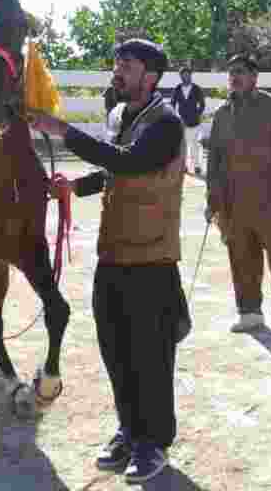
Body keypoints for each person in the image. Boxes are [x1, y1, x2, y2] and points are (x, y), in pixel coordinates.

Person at [28, 38, 186, 483]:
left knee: (151, 357)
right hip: (113, 253)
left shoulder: (166, 123)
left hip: (152, 258)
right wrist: (74, 188)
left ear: (150, 76)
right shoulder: (118, 115)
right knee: (116, 352)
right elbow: (113, 170)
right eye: (117, 64)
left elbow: (131, 163)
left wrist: (62, 130)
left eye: (127, 65)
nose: (118, 71)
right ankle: (129, 431)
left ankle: (154, 443)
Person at [205, 53, 271, 338]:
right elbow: (214, 160)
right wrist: (213, 200)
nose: (234, 77)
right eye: (231, 72)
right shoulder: (222, 114)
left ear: (254, 77)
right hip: (233, 201)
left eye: (241, 72)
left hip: (269, 196)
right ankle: (250, 313)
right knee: (241, 258)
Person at [169, 66, 206, 174]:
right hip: (181, 122)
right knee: (183, 146)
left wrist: (197, 114)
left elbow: (202, 104)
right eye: (183, 75)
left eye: (187, 74)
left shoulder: (196, 88)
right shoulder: (177, 89)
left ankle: (197, 166)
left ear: (190, 75)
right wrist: (175, 117)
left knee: (195, 145)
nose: (185, 76)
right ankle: (183, 165)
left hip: (195, 122)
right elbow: (172, 104)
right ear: (180, 76)